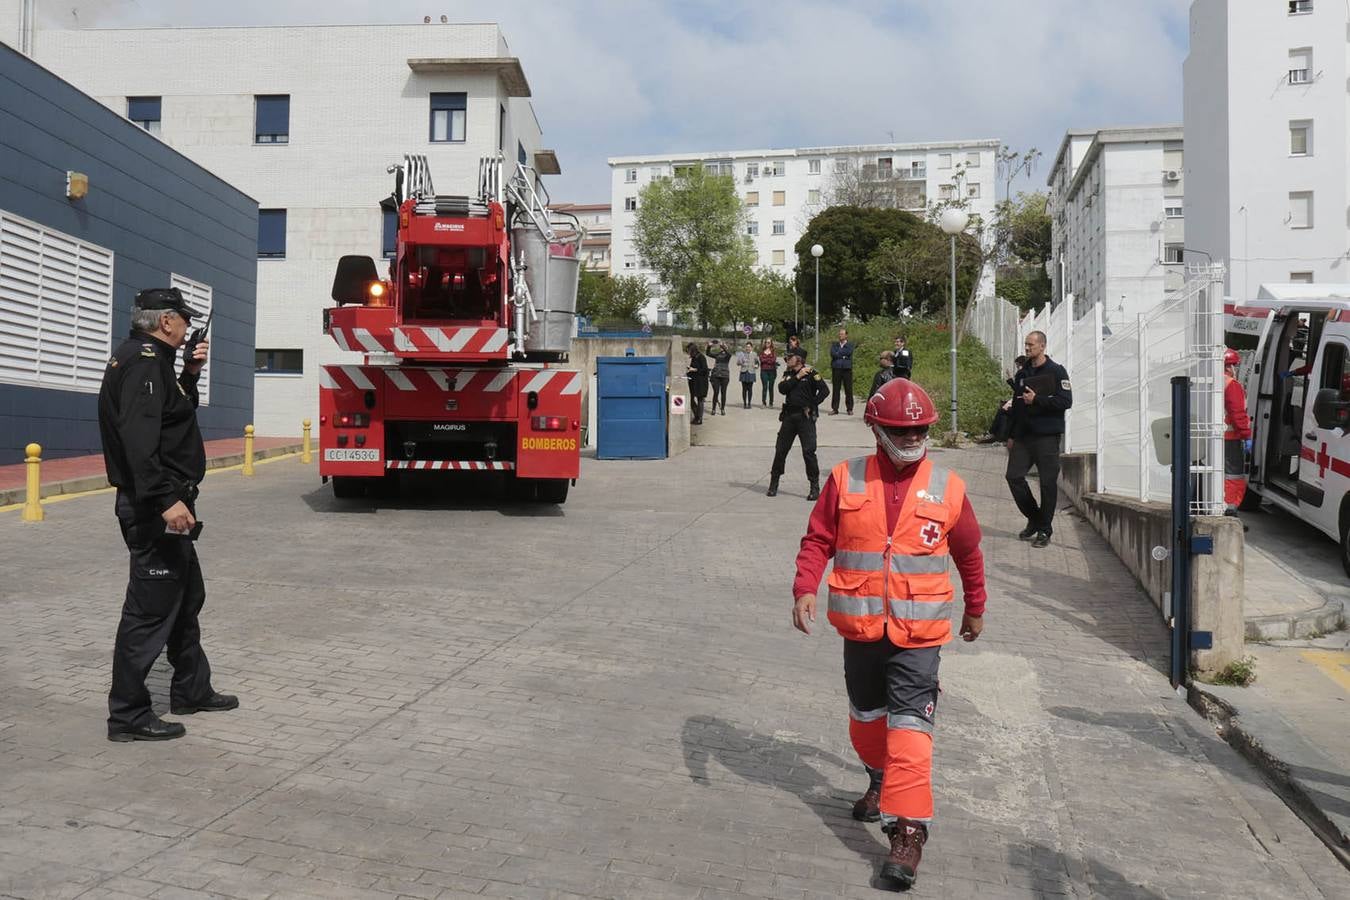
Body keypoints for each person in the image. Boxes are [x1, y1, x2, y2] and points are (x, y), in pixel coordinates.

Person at [792, 377, 986, 891]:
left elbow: (968, 553)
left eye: (920, 428)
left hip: (919, 636)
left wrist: (976, 610)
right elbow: (818, 539)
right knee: (866, 722)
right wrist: (804, 587)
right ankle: (878, 778)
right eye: (902, 429)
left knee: (911, 732)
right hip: (861, 630)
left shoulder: (948, 487)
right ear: (876, 429)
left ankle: (908, 833)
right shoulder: (845, 478)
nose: (913, 436)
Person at [98, 288, 238, 742]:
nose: (185, 324)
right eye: (182, 316)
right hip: (156, 508)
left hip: (169, 503)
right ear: (165, 322)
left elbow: (175, 416)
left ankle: (191, 689)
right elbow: (140, 442)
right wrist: (164, 501)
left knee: (185, 599)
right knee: (149, 611)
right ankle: (128, 716)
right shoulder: (143, 363)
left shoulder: (155, 361)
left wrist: (191, 374)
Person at [1006, 331, 1072, 548]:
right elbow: (1017, 406)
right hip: (1024, 436)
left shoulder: (1056, 371)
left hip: (1046, 436)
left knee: (1047, 483)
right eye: (1025, 344)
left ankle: (1045, 529)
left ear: (1042, 346)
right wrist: (1011, 435)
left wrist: (1038, 400)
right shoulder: (1022, 373)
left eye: (1031, 344)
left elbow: (1065, 401)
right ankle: (1035, 518)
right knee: (1014, 477)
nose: (1027, 348)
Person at [768, 349, 830, 498]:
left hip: (805, 417)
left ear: (799, 359)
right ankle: (774, 483)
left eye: (790, 357)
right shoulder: (788, 374)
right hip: (789, 416)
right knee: (781, 450)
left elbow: (824, 391)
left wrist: (813, 404)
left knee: (809, 452)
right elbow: (782, 389)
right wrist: (797, 377)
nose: (787, 359)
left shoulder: (811, 373)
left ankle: (814, 487)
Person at [1223, 348, 1252, 515]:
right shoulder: (1231, 385)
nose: (1235, 369)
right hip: (1231, 437)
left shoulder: (1211, 381)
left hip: (1215, 437)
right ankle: (1230, 507)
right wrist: (1246, 435)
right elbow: (1238, 414)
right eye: (1234, 365)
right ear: (1228, 366)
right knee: (1234, 474)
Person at [829, 327, 856, 415]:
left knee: (848, 389)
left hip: (846, 369)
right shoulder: (835, 344)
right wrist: (842, 355)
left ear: (846, 335)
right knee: (836, 389)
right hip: (836, 368)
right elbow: (832, 353)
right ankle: (835, 408)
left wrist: (838, 354)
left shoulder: (850, 345)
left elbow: (848, 352)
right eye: (839, 334)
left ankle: (849, 408)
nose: (840, 336)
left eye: (842, 334)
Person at [706, 339, 732, 416]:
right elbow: (708, 353)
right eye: (721, 347)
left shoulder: (727, 355)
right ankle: (713, 409)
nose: (722, 348)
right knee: (716, 392)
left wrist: (723, 346)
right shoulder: (717, 354)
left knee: (723, 393)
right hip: (716, 375)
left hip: (725, 376)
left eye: (724, 346)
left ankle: (722, 409)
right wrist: (709, 346)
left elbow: (729, 354)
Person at [686, 343, 709, 425]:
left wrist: (694, 369)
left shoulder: (701, 357)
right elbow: (692, 369)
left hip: (701, 382)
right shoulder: (694, 358)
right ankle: (697, 416)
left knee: (700, 400)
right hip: (694, 381)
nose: (688, 352)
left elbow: (705, 369)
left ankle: (699, 419)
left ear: (692, 350)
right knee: (691, 400)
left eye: (688, 350)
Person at [735, 340, 758, 409]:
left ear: (752, 348)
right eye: (747, 347)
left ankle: (749, 403)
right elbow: (738, 363)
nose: (748, 348)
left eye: (749, 347)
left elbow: (757, 362)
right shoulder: (742, 354)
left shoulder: (754, 354)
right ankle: (744, 403)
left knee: (750, 389)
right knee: (744, 389)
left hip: (751, 372)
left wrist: (756, 366)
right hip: (744, 372)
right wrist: (741, 362)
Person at [759, 338, 780, 408]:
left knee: (771, 387)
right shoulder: (762, 351)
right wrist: (769, 360)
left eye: (769, 342)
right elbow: (761, 360)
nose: (767, 344)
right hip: (764, 371)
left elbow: (773, 360)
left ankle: (771, 403)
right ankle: (763, 403)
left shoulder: (773, 351)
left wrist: (766, 360)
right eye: (766, 342)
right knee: (764, 387)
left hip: (772, 371)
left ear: (771, 343)